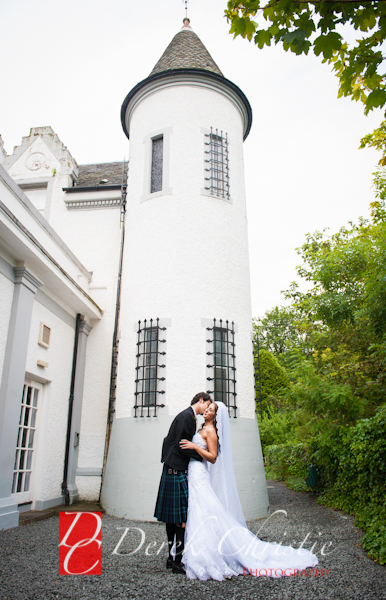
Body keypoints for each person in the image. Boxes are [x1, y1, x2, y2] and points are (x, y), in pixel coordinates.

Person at [179, 401, 319, 581]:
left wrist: (195, 447)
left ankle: (209, 555)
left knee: (206, 510)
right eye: (207, 408)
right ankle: (198, 552)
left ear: (215, 416)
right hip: (194, 472)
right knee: (200, 511)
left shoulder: (211, 431)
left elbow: (213, 458)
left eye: (211, 409)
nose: (206, 410)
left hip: (200, 474)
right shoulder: (201, 428)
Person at [154, 392, 212, 574]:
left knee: (174, 519)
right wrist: (201, 457)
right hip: (176, 469)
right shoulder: (187, 417)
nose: (206, 410)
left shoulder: (186, 415)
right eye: (207, 405)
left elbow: (170, 442)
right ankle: (177, 561)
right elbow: (182, 445)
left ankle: (172, 558)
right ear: (201, 400)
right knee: (181, 519)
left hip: (172, 468)